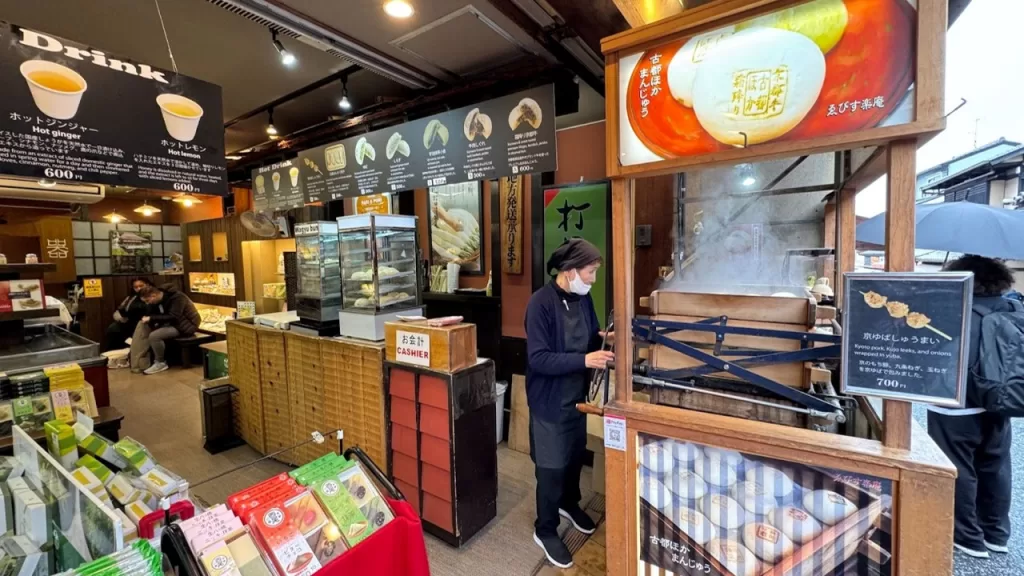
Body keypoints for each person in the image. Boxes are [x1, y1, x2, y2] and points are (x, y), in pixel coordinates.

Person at [525, 238, 613, 568]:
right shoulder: (540, 304)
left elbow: (589, 336)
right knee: (550, 467)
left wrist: (605, 338)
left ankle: (569, 503)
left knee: (575, 455)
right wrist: (586, 360)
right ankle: (545, 528)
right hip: (548, 401)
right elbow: (539, 359)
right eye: (590, 272)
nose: (592, 279)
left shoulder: (582, 298)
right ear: (571, 271)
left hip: (576, 397)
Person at [928, 255, 1016, 559]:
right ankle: (996, 534)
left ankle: (967, 538)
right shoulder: (1011, 307)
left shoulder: (955, 310)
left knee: (958, 468)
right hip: (1001, 403)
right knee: (995, 466)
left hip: (956, 403)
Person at [130, 283, 201, 375]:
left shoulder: (177, 297)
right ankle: (142, 361)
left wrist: (152, 318)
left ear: (153, 295)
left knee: (154, 336)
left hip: (186, 325)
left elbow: (174, 316)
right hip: (175, 323)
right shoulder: (160, 299)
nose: (148, 303)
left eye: (148, 300)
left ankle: (160, 362)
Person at [105, 278, 154, 351]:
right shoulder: (131, 297)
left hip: (143, 322)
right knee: (113, 329)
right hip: (127, 321)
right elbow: (119, 310)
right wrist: (120, 318)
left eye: (141, 286)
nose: (138, 288)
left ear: (147, 285)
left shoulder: (152, 296)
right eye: (136, 287)